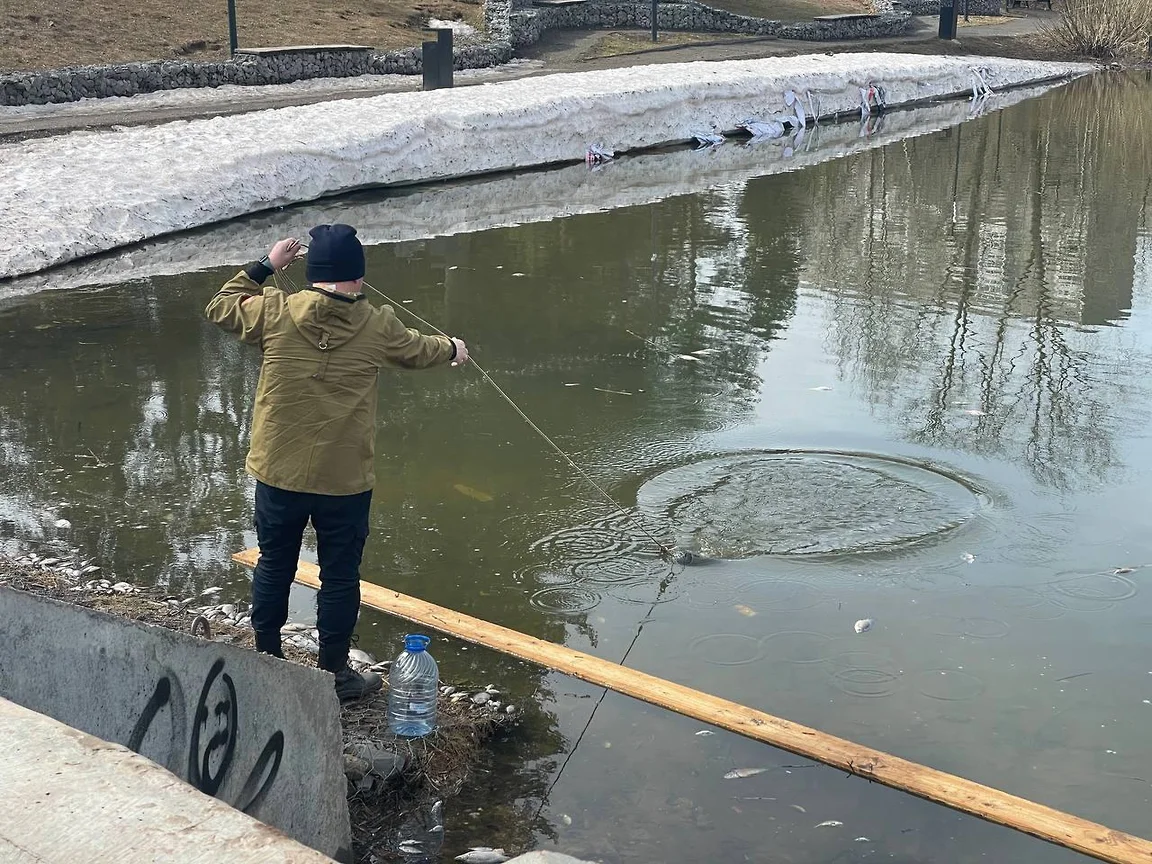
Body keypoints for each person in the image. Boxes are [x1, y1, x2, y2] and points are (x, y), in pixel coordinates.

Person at [205, 223, 468, 701]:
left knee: (274, 565)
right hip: (344, 481)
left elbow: (221, 305)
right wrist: (453, 348)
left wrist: (268, 264)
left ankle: (267, 659)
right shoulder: (379, 324)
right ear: (358, 277)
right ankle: (335, 675)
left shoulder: (275, 311)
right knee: (340, 577)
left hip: (278, 471)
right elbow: (419, 350)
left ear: (313, 272)